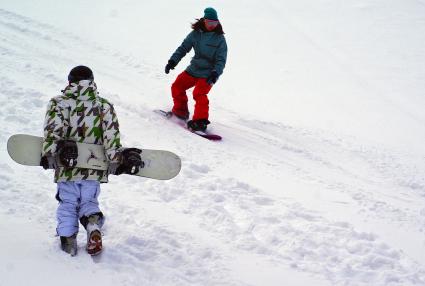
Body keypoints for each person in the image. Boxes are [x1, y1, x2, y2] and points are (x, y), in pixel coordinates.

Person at [40, 66, 142, 256]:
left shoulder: (59, 103)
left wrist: (49, 154)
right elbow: (111, 136)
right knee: (88, 201)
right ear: (92, 82)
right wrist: (114, 159)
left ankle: (68, 240)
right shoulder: (104, 105)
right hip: (94, 167)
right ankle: (93, 224)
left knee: (68, 203)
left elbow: (52, 130)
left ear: (70, 82)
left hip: (67, 165)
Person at [165, 7, 228, 132]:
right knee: (177, 86)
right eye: (210, 22)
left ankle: (200, 121)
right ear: (204, 20)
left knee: (199, 93)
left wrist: (216, 72)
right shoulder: (195, 34)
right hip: (194, 68)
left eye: (215, 23)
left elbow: (221, 60)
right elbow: (183, 48)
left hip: (209, 73)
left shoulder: (220, 39)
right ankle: (180, 112)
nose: (212, 25)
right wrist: (173, 61)